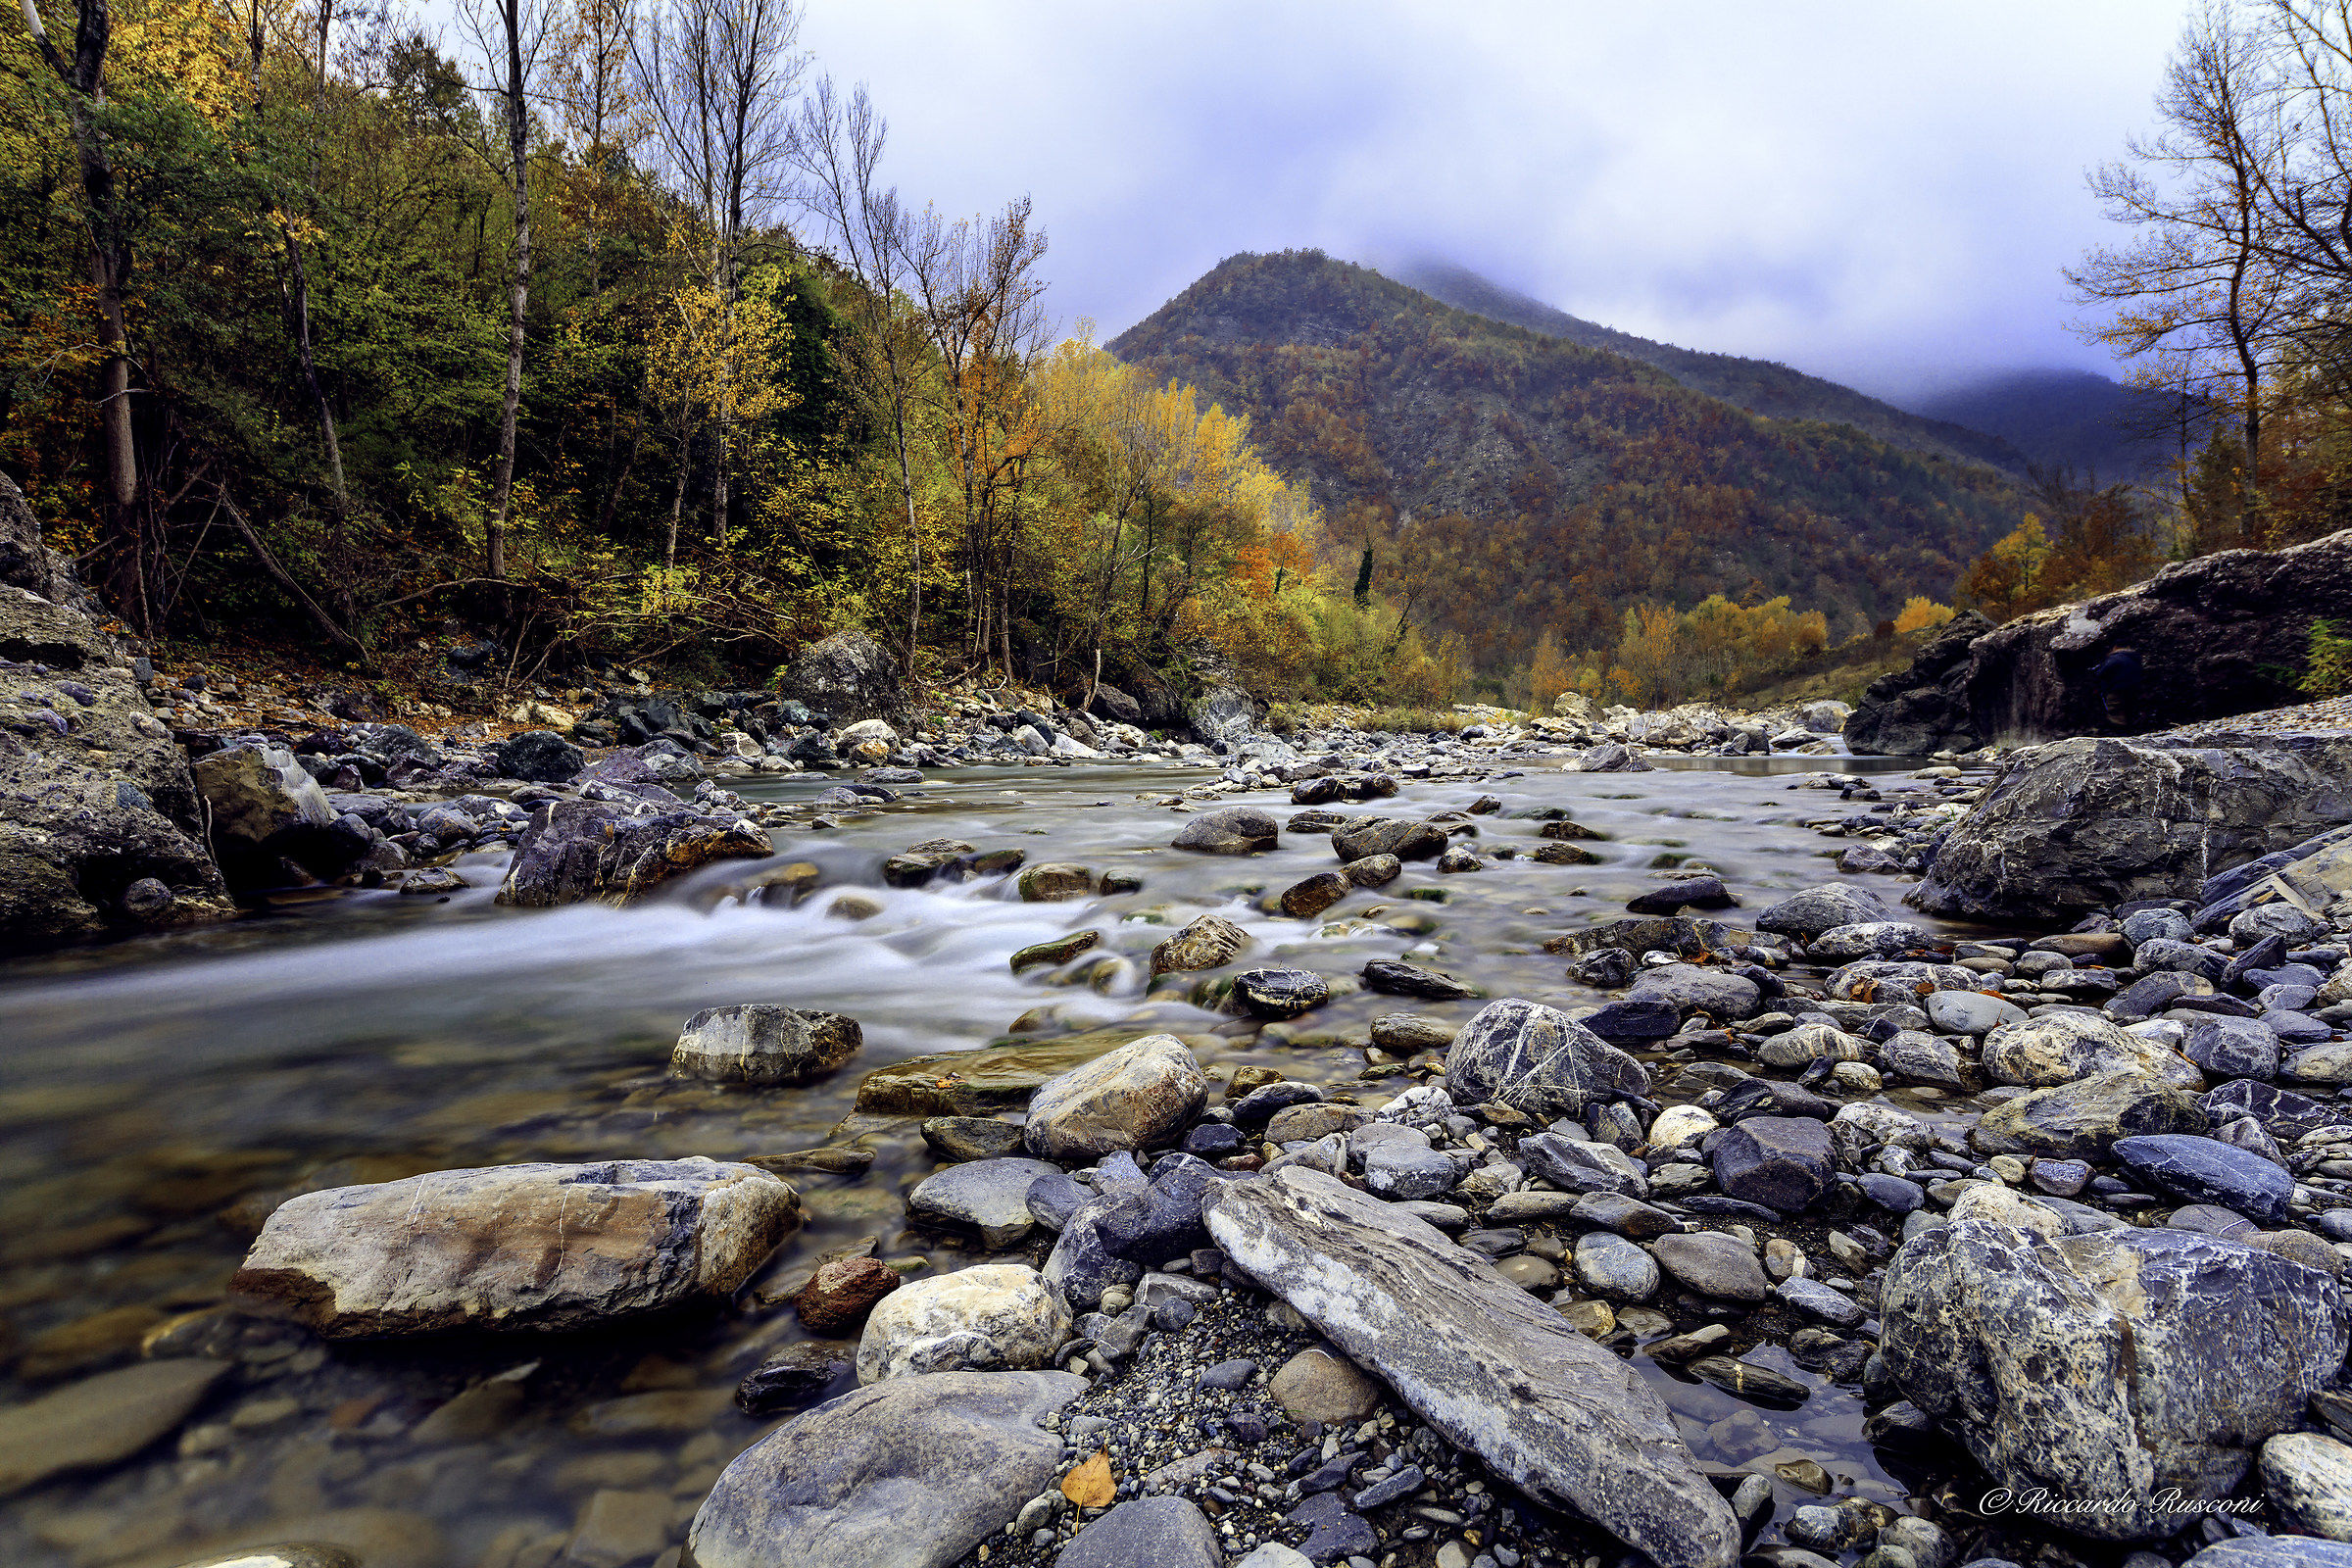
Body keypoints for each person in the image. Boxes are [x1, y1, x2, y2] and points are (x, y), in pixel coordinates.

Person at [2094, 647, 2143, 731]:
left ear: (2115, 647)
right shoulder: (2135, 659)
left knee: (2115, 710)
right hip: (2133, 689)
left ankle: (2119, 731)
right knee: (2129, 709)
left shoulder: (2114, 658)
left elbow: (2101, 673)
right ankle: (2132, 729)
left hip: (2115, 689)